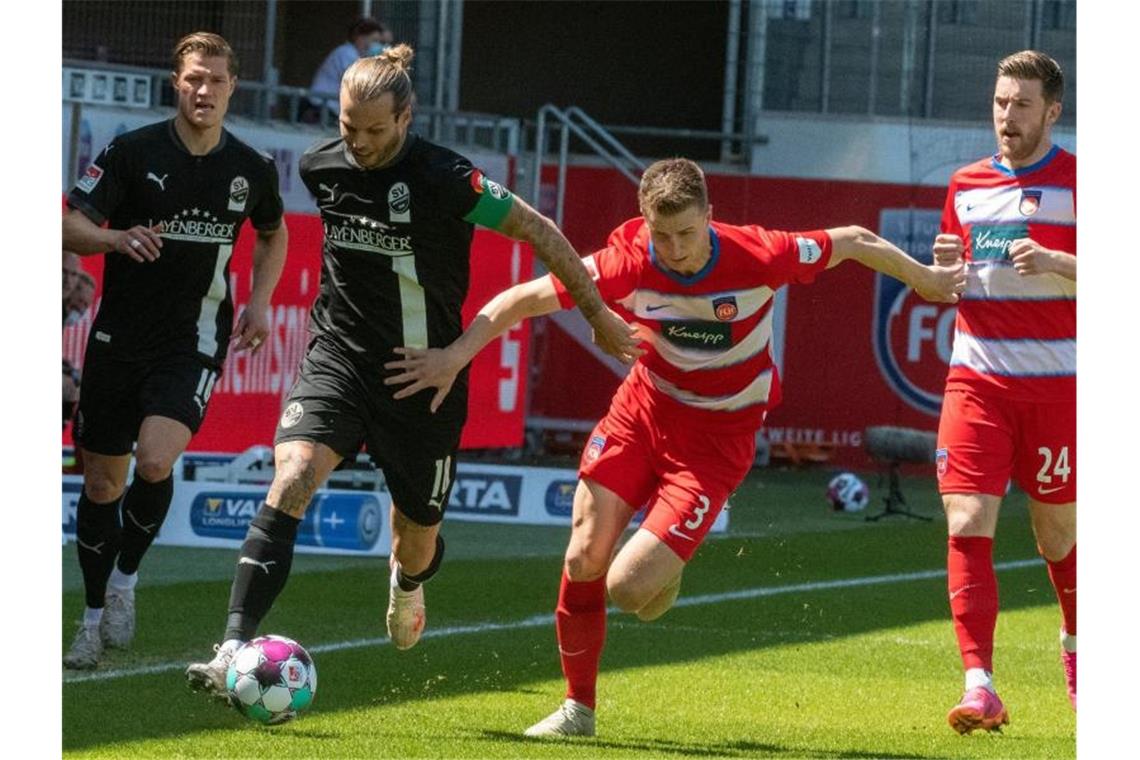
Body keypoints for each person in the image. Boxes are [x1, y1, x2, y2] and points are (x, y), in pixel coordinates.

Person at [381, 157, 966, 738]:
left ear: (709, 216)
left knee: (629, 589)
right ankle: (577, 710)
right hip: (642, 414)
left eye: (687, 233)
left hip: (718, 440)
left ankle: (665, 568)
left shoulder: (761, 254)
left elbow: (855, 239)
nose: (676, 248)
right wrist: (454, 357)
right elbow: (520, 300)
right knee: (584, 556)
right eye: (662, 234)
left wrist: (924, 279)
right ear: (643, 223)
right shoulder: (628, 261)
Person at [184, 44, 639, 696]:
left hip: (423, 379)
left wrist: (594, 311)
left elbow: (539, 231)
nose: (361, 143)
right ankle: (231, 646)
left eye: (375, 130)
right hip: (338, 360)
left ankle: (407, 583)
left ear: (406, 117)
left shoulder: (448, 179)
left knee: (415, 537)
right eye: (349, 128)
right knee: (291, 478)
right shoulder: (319, 168)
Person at [60, 31, 288, 670]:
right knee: (104, 481)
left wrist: (261, 303)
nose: (203, 90)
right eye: (193, 78)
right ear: (176, 82)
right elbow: (67, 222)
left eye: (215, 79)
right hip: (116, 340)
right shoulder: (131, 153)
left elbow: (274, 233)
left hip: (192, 342)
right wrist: (116, 239)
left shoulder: (250, 168)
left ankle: (126, 581)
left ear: (232, 87)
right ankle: (93, 613)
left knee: (155, 459)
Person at [933, 50, 1076, 733]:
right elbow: (949, 270)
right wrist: (944, 272)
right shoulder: (964, 183)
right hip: (977, 381)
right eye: (998, 103)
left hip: (1060, 388)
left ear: (1052, 111)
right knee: (966, 521)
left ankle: (1079, 647)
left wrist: (1057, 262)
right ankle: (980, 684)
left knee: (1057, 536)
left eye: (1021, 105)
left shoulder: (1084, 183)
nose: (1006, 116)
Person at [307, 16, 393, 119]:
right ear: (360, 38)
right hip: (322, 109)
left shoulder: (358, 57)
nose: (377, 46)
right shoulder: (346, 53)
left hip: (331, 110)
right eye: (374, 40)